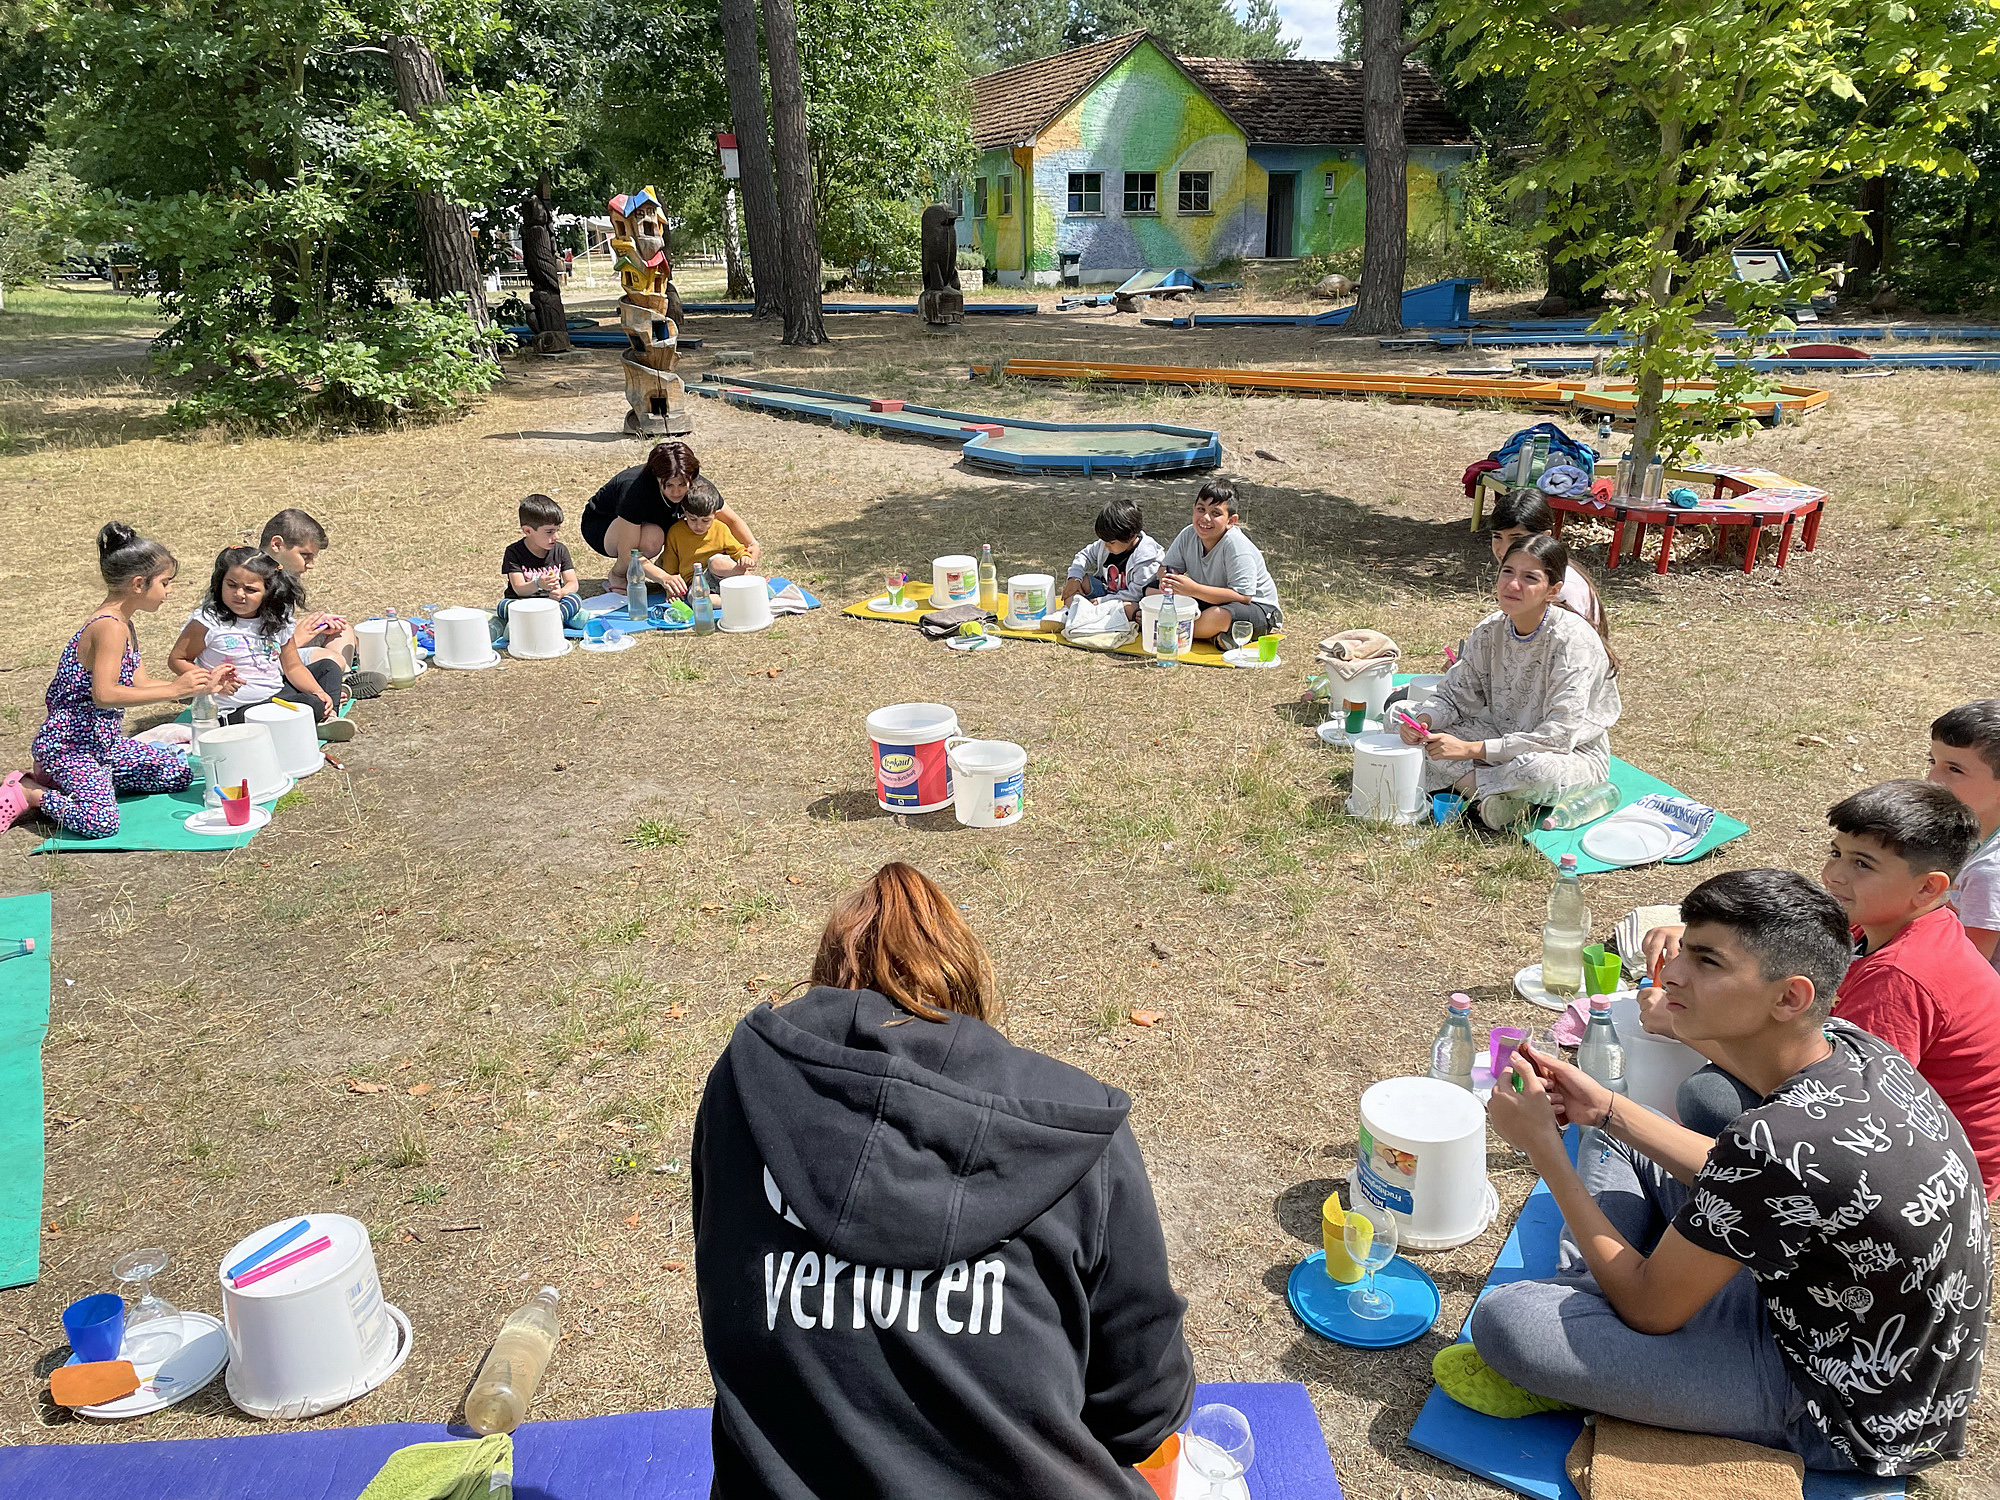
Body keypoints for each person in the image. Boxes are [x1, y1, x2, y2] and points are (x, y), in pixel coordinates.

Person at [1444, 869, 1989, 1478]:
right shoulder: (1856, 1046)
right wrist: (1600, 1108)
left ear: (1790, 998)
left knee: (1509, 1322)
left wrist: (1544, 1149)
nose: (1672, 974)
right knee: (1620, 1124)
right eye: (1684, 952)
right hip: (1827, 1307)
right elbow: (1759, 1180)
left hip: (1838, 1406)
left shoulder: (1777, 1144)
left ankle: (1595, 1317)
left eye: (1706, 961)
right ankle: (1601, 1302)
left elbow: (1653, 1309)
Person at [692, 862, 1194, 1500]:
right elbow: (1144, 1408)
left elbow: (723, 1283)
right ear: (968, 990)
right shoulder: (1072, 1131)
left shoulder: (742, 1093)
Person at [1643, 781, 2000, 1198]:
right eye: (1836, 853)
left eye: (1862, 864)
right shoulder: (1885, 922)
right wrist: (1705, 942)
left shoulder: (1899, 978)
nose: (1834, 874)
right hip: (1894, 1121)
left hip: (1931, 1171)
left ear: (1927, 888)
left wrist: (1681, 1029)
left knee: (1709, 1096)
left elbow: (1842, 1105)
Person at [1, 524, 225, 839]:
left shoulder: (124, 624)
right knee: (100, 823)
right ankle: (31, 791)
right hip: (70, 747)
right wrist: (175, 689)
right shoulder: (109, 627)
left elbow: (139, 684)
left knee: (178, 772)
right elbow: (104, 694)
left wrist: (199, 685)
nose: (169, 591)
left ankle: (87, 783)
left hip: (103, 746)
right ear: (138, 584)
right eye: (165, 583)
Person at [1400, 534, 1621, 828]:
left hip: (1567, 755)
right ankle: (1495, 795)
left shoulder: (1572, 641)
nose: (1513, 585)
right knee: (1399, 714)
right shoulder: (1490, 630)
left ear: (1553, 590)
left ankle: (1470, 787)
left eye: (1530, 578)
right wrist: (1423, 723)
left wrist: (1471, 750)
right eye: (1508, 572)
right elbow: (1455, 694)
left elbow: (1558, 737)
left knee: (1537, 771)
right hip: (1500, 735)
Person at [168, 547, 356, 740]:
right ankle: (314, 716)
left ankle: (329, 718)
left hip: (277, 695)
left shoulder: (278, 621)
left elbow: (293, 667)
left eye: (250, 590)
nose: (239, 594)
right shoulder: (207, 622)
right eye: (231, 585)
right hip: (236, 711)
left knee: (328, 668)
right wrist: (212, 681)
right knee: (310, 703)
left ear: (269, 592)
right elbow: (177, 659)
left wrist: (318, 691)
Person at [580, 441, 762, 592]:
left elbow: (729, 519)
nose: (676, 492)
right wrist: (664, 577)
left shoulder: (699, 486)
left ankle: (662, 564)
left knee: (685, 528)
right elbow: (630, 553)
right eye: (668, 485)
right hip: (604, 524)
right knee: (652, 537)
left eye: (682, 484)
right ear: (656, 477)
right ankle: (619, 574)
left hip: (654, 521)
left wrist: (752, 544)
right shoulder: (634, 490)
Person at [1135, 479, 1281, 642]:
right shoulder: (1189, 534)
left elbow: (1243, 596)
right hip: (1208, 597)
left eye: (1215, 513)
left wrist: (1193, 590)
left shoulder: (1236, 545)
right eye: (1201, 509)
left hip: (1254, 609)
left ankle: (1167, 629)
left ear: (1231, 521)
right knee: (1151, 590)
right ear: (1193, 509)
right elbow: (1166, 568)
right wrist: (1168, 581)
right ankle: (1211, 635)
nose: (1205, 518)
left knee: (1218, 616)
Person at [260, 508, 374, 693]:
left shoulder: (282, 579)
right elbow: (253, 647)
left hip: (282, 647)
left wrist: (312, 626)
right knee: (331, 659)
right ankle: (335, 684)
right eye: (305, 556)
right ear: (277, 544)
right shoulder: (253, 585)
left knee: (342, 629)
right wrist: (299, 637)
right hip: (263, 662)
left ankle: (343, 680)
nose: (311, 565)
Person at [1927, 700, 2000, 972]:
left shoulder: (1989, 872)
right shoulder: (1967, 834)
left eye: (1954, 770)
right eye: (1932, 762)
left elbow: (1969, 969)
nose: (1932, 779)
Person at [1485, 489, 1603, 629]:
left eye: (1517, 538)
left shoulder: (1566, 588)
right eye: (1497, 536)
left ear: (1545, 536)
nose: (1505, 550)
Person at [495, 494, 583, 633]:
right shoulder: (514, 552)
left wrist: (562, 592)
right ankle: (553, 621)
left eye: (557, 530)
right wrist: (538, 584)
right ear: (527, 531)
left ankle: (547, 620)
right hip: (523, 604)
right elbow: (519, 589)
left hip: (553, 604)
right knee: (503, 606)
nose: (556, 536)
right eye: (549, 532)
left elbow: (572, 583)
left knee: (574, 598)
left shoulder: (560, 550)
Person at [1060, 497, 1164, 605]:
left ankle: (1087, 610)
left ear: (1131, 536)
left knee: (1129, 608)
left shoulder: (1146, 559)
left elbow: (1136, 594)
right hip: (1106, 590)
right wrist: (1074, 577)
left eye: (1111, 543)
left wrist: (1101, 602)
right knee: (1076, 587)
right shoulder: (1107, 543)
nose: (1106, 546)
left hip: (1127, 600)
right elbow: (1084, 555)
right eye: (1104, 541)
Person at [656, 479, 749, 595]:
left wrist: (745, 557)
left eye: (705, 520)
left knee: (717, 563)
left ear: (715, 515)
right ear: (685, 512)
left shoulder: (720, 528)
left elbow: (737, 550)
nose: (699, 526)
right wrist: (670, 590)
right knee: (699, 599)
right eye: (693, 519)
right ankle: (729, 600)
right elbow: (670, 567)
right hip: (695, 582)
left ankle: (751, 581)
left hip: (723, 576)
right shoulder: (676, 532)